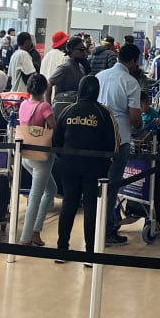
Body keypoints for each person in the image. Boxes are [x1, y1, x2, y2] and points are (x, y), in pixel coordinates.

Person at [53, 75, 118, 262]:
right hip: (95, 167)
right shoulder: (104, 113)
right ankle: (90, 253)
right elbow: (113, 146)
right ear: (97, 91)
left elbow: (56, 141)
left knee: (69, 204)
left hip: (68, 165)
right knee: (91, 206)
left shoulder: (67, 111)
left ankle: (61, 250)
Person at [96, 43, 143, 245]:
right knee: (112, 187)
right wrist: (140, 125)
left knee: (97, 185)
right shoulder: (130, 82)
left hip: (97, 137)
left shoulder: (100, 76)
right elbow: (134, 116)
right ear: (132, 60)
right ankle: (106, 232)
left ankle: (95, 228)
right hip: (120, 139)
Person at [15, 74, 56, 247]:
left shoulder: (24, 104)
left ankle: (36, 231)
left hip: (26, 155)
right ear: (44, 89)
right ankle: (26, 238)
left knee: (51, 189)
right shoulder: (44, 106)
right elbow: (54, 127)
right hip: (41, 157)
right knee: (35, 196)